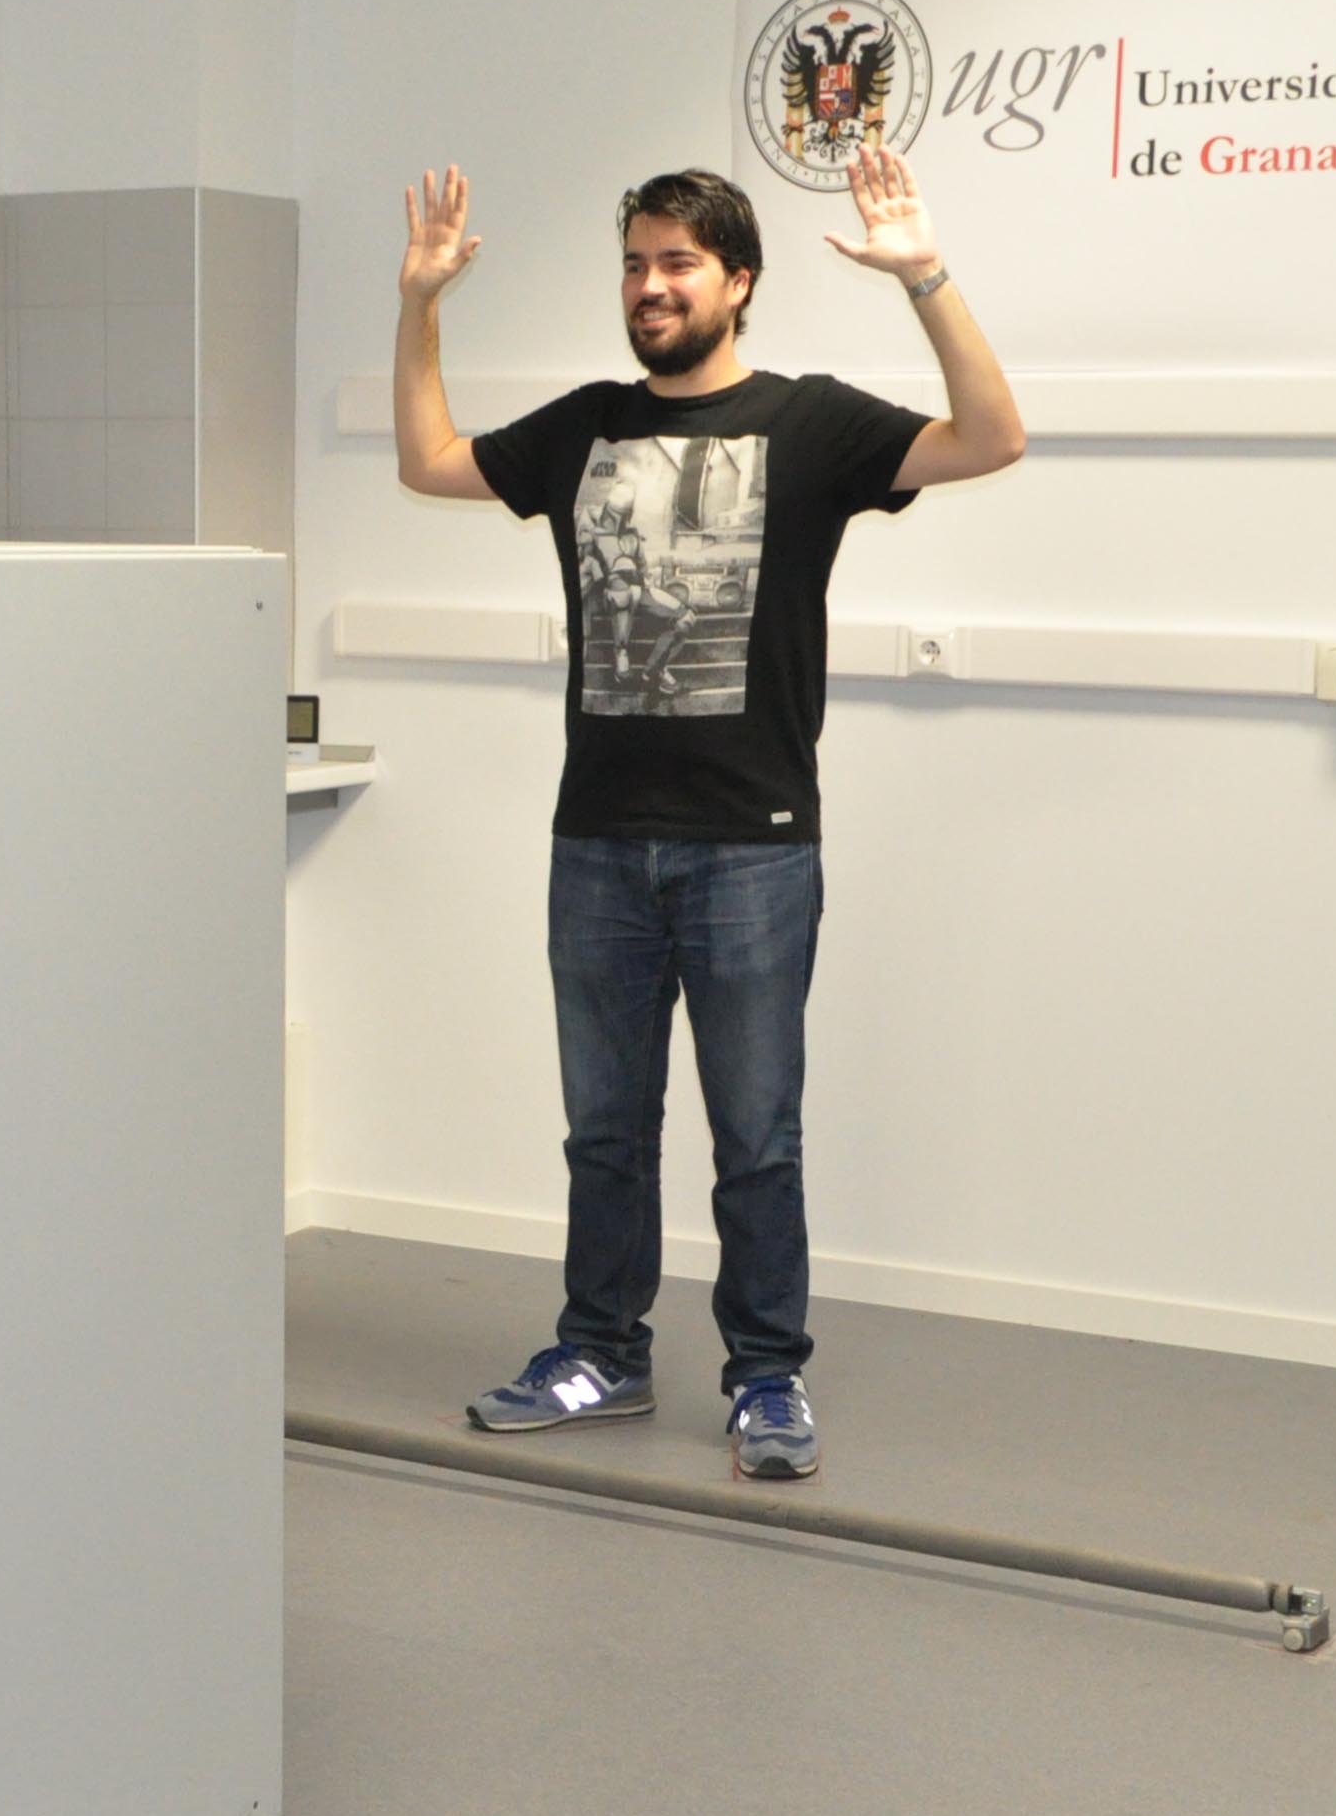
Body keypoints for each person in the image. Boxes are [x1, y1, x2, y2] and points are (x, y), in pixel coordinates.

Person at [392, 152, 1024, 1478]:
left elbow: (990, 437)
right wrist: (421, 304)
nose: (652, 285)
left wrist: (925, 275)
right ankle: (600, 1353)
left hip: (753, 846)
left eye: (679, 263)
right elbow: (430, 461)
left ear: (738, 281)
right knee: (605, 1133)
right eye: (635, 263)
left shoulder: (811, 422)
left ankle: (768, 1377)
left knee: (756, 1137)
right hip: (598, 843)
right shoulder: (586, 427)